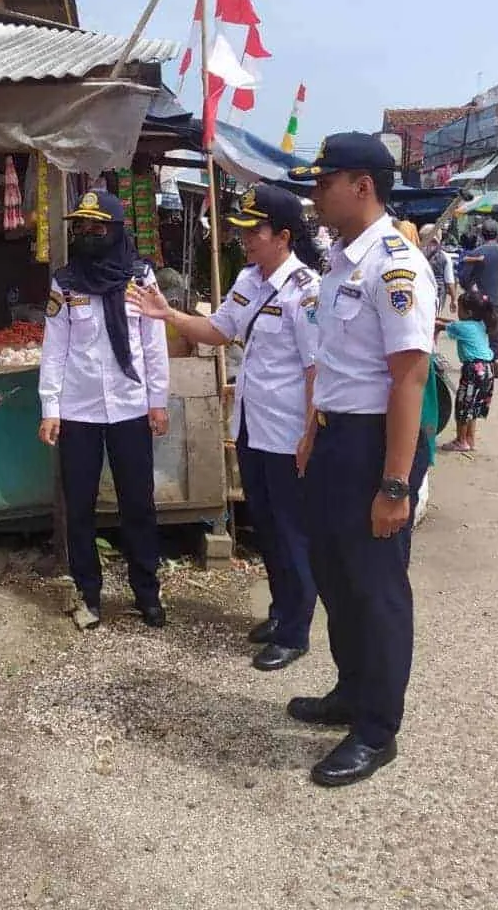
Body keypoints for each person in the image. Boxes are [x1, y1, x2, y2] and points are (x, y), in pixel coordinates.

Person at [290, 133, 436, 788]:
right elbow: (339, 364)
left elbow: (408, 379)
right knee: (335, 572)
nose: (316, 195)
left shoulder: (396, 265)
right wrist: (314, 429)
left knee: (377, 587)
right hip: (337, 436)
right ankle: (351, 691)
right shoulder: (341, 262)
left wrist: (396, 483)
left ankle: (378, 730)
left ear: (362, 185)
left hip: (380, 443)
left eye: (325, 182)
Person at [130, 185, 320, 673]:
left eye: (252, 232)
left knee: (293, 533)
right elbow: (219, 331)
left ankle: (296, 631)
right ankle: (281, 613)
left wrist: (310, 436)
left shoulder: (306, 291)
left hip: (287, 433)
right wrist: (167, 314)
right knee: (269, 529)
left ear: (282, 236)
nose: (243, 241)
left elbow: (316, 370)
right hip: (253, 429)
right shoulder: (249, 280)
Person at [38, 191, 169, 631]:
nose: (88, 234)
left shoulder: (140, 276)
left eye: (98, 227)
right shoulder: (66, 282)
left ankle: (147, 593)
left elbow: (153, 345)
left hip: (131, 407)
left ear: (116, 230)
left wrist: (158, 402)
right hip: (78, 411)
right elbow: (54, 350)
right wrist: (50, 407)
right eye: (81, 227)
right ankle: (88, 595)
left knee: (139, 504)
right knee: (79, 507)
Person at [435, 291, 496, 453]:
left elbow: (440, 326)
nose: (457, 312)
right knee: (474, 406)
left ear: (468, 313)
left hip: (473, 370)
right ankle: (470, 439)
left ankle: (460, 441)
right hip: (488, 370)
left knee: (463, 405)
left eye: (459, 309)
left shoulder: (462, 327)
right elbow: (453, 323)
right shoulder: (480, 324)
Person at [461, 219, 498, 377]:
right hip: (494, 298)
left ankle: (479, 362)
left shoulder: (476, 252)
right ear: (497, 234)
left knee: (477, 330)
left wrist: (469, 289)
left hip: (477, 300)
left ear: (482, 234)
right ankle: (497, 360)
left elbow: (464, 277)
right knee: (494, 330)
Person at [419, 225, 456, 315]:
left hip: (420, 292)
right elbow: (450, 282)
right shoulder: (445, 256)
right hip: (438, 295)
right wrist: (453, 300)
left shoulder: (416, 253)